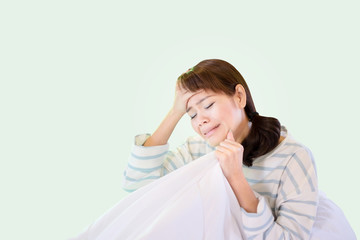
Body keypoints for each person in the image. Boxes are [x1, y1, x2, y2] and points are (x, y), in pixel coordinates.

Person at [122, 59, 319, 239]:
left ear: (239, 97)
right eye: (191, 115)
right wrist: (175, 111)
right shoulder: (197, 149)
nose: (201, 121)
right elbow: (138, 188)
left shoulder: (292, 158)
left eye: (207, 105)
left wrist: (236, 179)